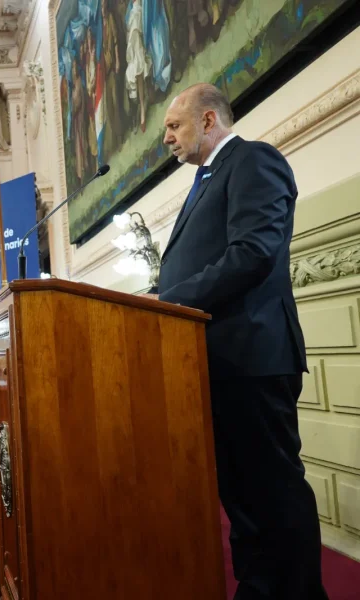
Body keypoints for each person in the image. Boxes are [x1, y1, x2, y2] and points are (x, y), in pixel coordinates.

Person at [156, 83, 324, 600]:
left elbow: (252, 252)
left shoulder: (253, 161)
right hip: (218, 363)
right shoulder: (207, 179)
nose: (166, 138)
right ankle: (259, 587)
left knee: (272, 491)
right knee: (243, 497)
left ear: (209, 122)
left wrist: (169, 301)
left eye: (173, 126)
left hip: (252, 358)